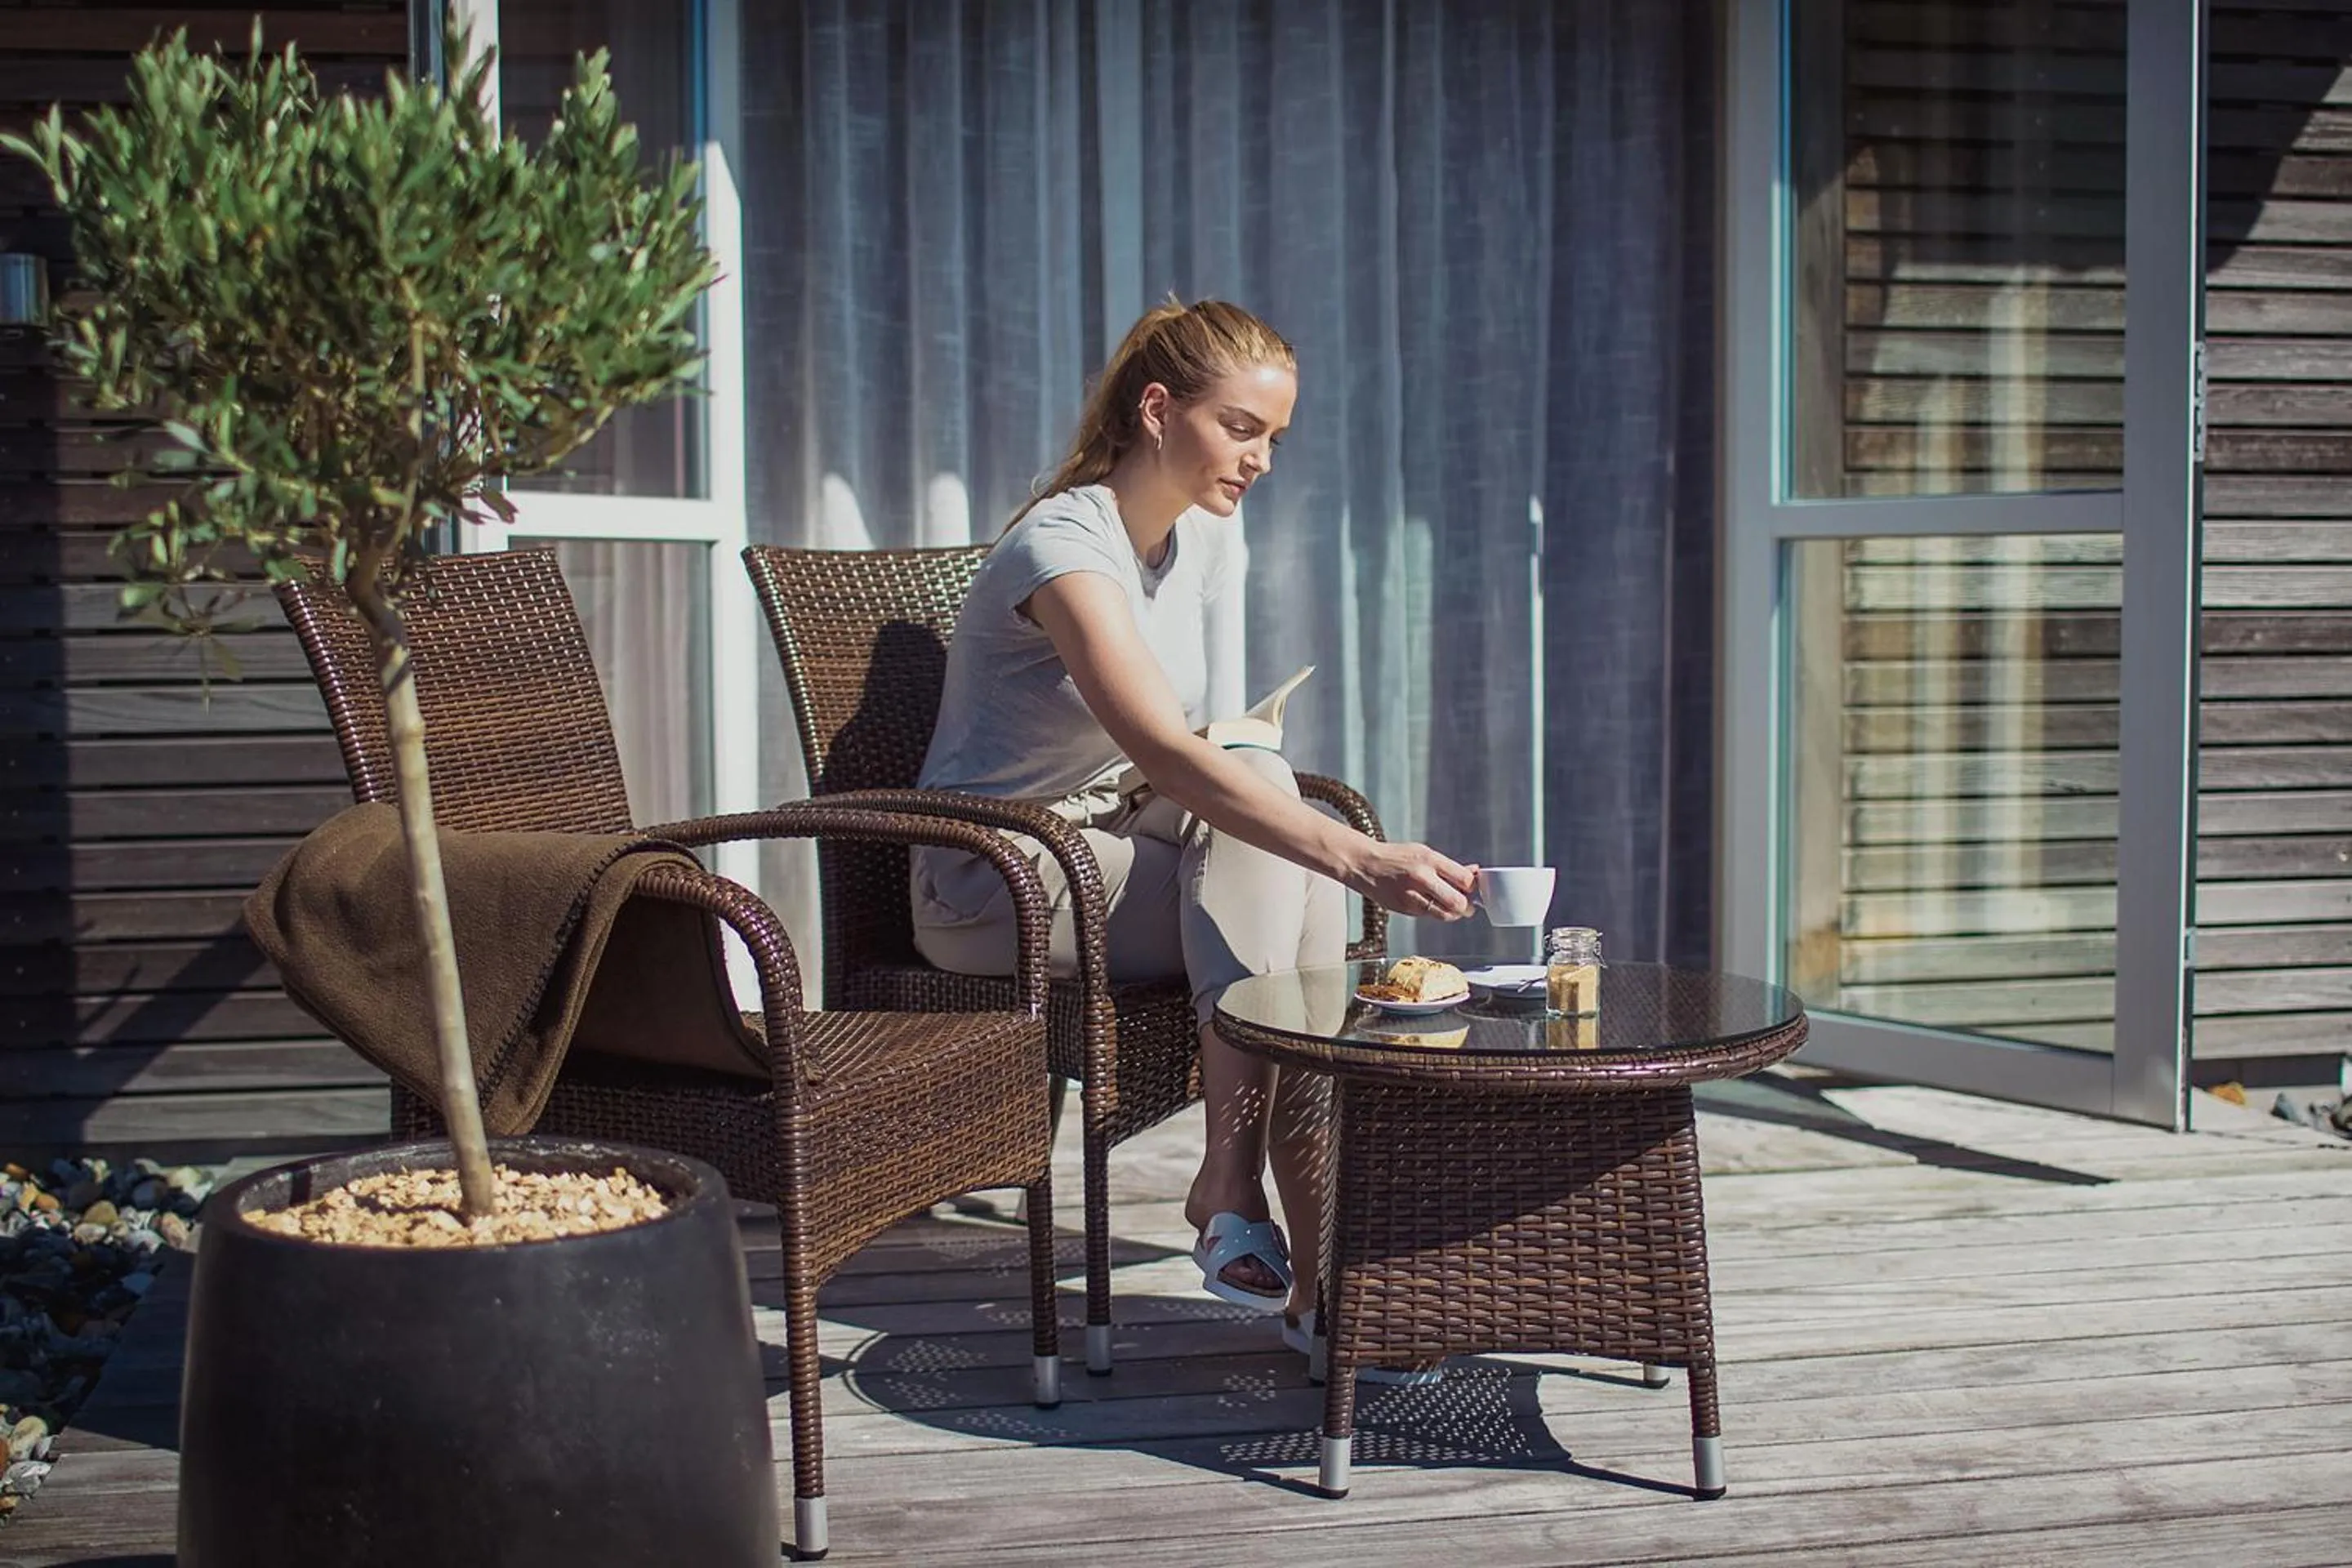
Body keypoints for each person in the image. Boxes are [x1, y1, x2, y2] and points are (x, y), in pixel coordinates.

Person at [909, 297, 1478, 1365]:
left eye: (1275, 437)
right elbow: (1167, 756)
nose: (1261, 459)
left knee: (1283, 843)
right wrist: (1360, 856)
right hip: (993, 882)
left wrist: (1278, 800)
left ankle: (1273, 1236)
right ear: (1159, 409)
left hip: (1098, 845)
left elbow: (1169, 765)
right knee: (1308, 873)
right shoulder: (1065, 545)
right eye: (1242, 428)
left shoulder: (1181, 547)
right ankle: (1284, 1238)